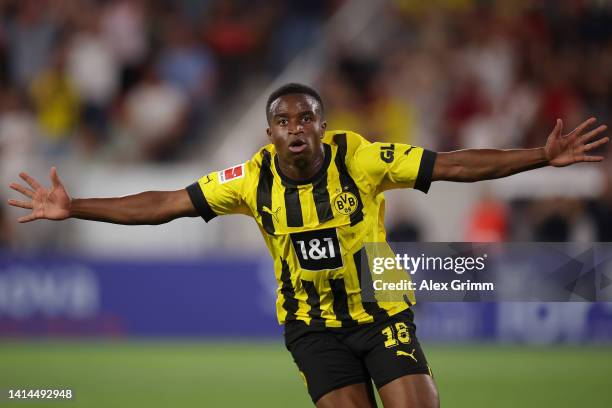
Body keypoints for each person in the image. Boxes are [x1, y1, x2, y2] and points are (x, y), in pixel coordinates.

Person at [7, 83, 609, 408]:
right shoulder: (248, 179)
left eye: (306, 118)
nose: (296, 128)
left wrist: (539, 156)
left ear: (322, 125)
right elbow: (165, 204)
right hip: (310, 325)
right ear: (269, 133)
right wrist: (75, 206)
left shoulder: (361, 156)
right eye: (284, 120)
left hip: (381, 307)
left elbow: (452, 165)